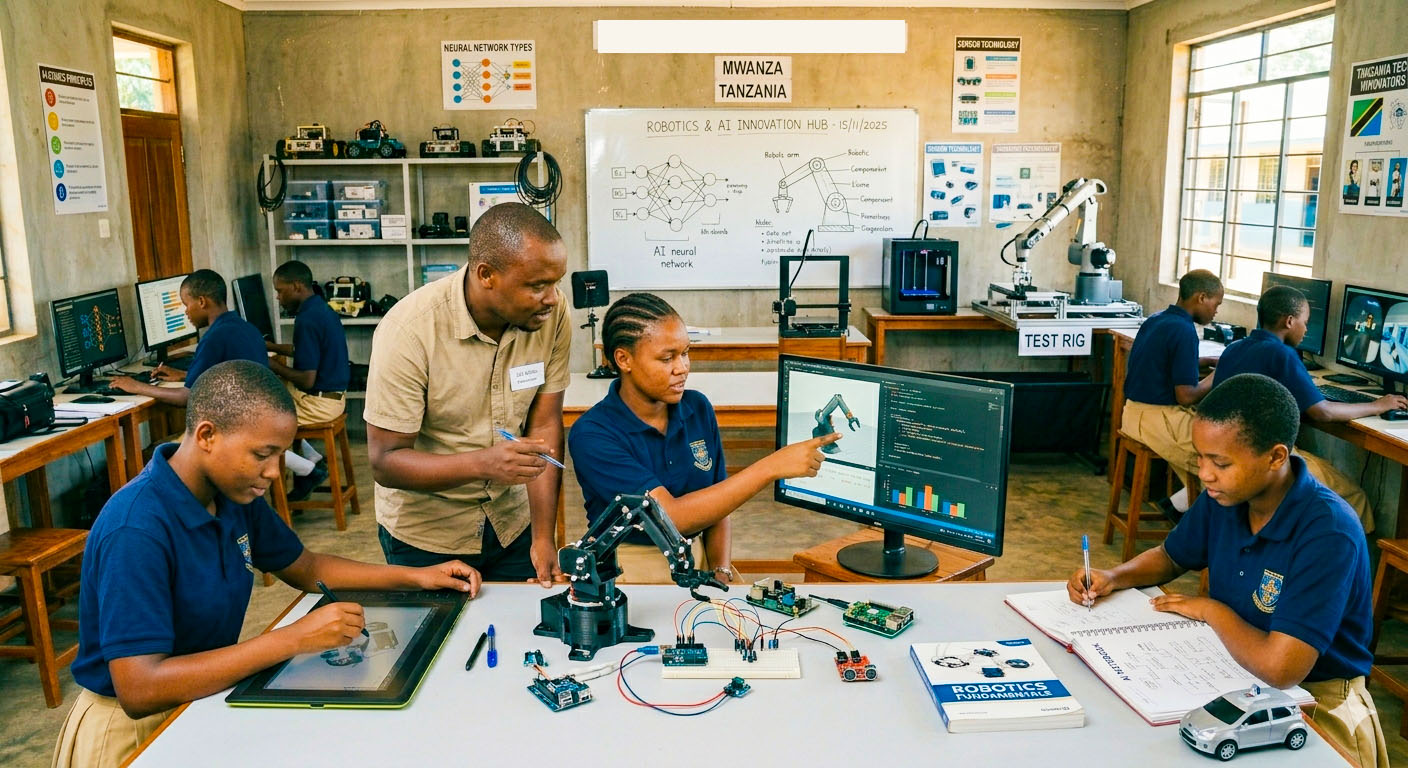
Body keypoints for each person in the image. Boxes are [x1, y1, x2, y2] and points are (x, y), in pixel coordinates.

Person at [52, 361, 481, 768]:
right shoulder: (137, 529)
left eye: (282, 454)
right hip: (131, 734)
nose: (275, 472)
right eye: (263, 454)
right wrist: (292, 639)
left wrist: (414, 576)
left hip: (198, 702)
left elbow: (307, 566)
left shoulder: (233, 494)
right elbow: (140, 687)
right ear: (206, 435)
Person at [1069, 373, 1388, 768]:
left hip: (1315, 702)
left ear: (1275, 457)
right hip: (1236, 679)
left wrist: (1211, 610)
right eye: (1200, 457)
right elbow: (1171, 557)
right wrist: (1115, 576)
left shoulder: (1327, 532)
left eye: (1220, 462)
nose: (1204, 474)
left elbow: (1282, 668)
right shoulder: (1227, 496)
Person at [567, 293, 838, 583]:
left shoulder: (697, 408)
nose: (682, 367)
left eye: (685, 353)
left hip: (696, 559)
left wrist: (720, 571)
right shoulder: (594, 433)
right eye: (666, 358)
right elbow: (670, 518)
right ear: (624, 359)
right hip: (627, 569)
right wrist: (770, 467)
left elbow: (719, 504)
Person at [365, 202, 568, 585]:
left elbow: (543, 423)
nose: (553, 298)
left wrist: (543, 537)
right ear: (486, 275)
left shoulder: (551, 316)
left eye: (556, 283)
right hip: (428, 535)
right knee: (441, 643)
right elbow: (385, 461)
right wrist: (485, 464)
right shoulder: (409, 331)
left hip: (513, 527)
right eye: (537, 286)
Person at [1210, 285, 1408, 531]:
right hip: (1261, 461)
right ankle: (1345, 567)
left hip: (1229, 453)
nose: (1306, 330)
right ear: (1290, 321)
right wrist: (1377, 405)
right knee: (1355, 499)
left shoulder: (1234, 348)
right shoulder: (1282, 355)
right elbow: (1321, 412)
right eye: (1305, 322)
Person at [1120, 269, 1223, 516]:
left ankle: (1179, 505)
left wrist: (1202, 360)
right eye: (1216, 304)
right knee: (1223, 459)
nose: (1216, 311)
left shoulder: (1158, 319)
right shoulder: (1184, 331)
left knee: (1206, 457)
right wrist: (1218, 375)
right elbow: (1185, 396)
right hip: (1158, 420)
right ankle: (1185, 513)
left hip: (1134, 414)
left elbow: (1161, 361)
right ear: (1201, 297)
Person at [109, 270, 267, 406]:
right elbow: (228, 378)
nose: (186, 312)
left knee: (160, 444)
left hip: (235, 434)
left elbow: (187, 397)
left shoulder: (213, 338)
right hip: (257, 426)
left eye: (186, 304)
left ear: (201, 301)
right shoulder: (246, 328)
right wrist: (185, 375)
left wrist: (136, 386)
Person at [265, 261, 350, 498]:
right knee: (274, 391)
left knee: (257, 423)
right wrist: (272, 347)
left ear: (297, 286)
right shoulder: (319, 309)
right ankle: (311, 456)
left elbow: (306, 381)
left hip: (320, 404)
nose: (279, 298)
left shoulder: (306, 320)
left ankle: (308, 470)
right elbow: (304, 349)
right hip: (334, 398)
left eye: (281, 291)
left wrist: (270, 363)